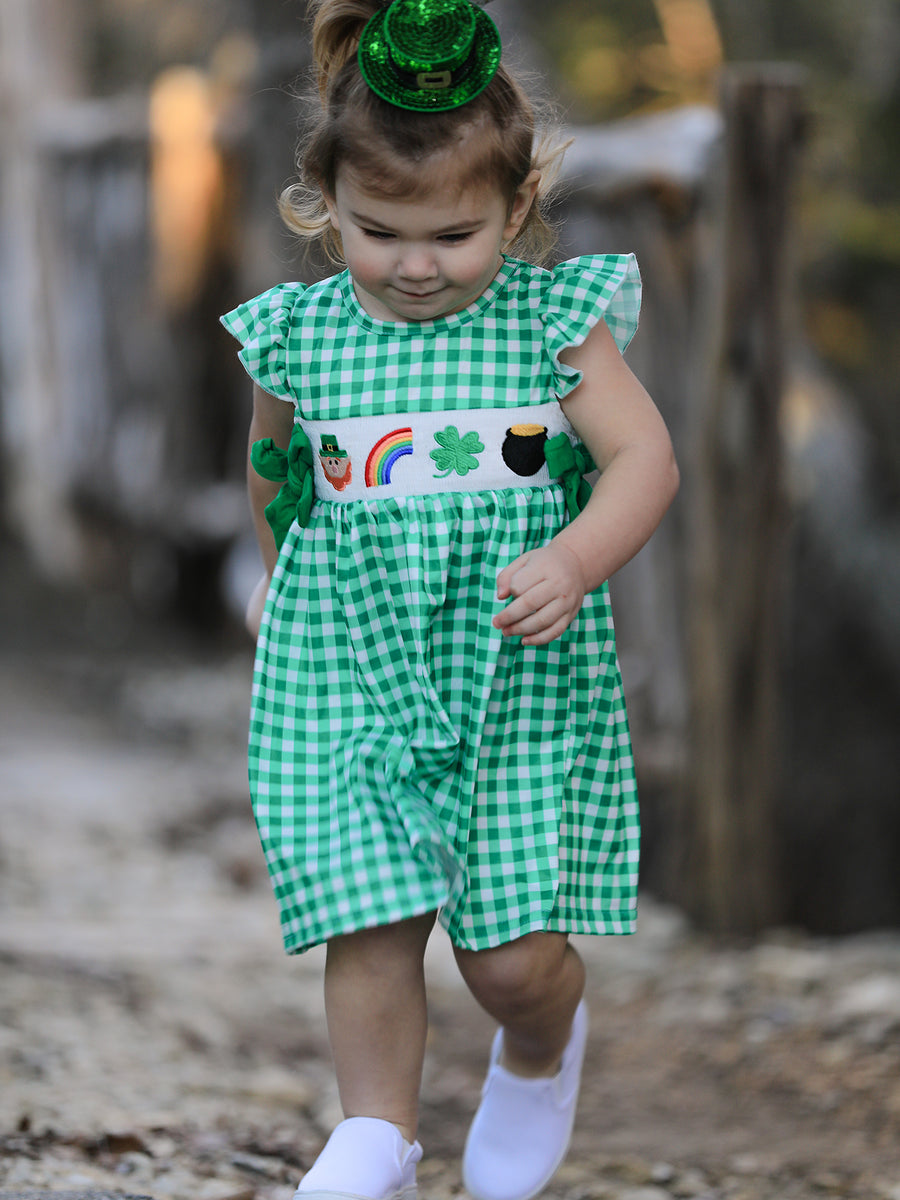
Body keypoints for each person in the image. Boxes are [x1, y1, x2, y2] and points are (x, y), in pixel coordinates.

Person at [221, 2, 679, 1198]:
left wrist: (576, 559)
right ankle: (377, 1133)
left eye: (453, 234)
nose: (416, 265)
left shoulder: (551, 324)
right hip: (349, 669)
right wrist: (275, 585)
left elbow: (646, 463)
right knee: (366, 915)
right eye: (380, 232)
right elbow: (277, 475)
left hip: (511, 678)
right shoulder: (299, 335)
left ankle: (541, 1044)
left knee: (510, 959)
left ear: (517, 211)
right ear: (326, 204)